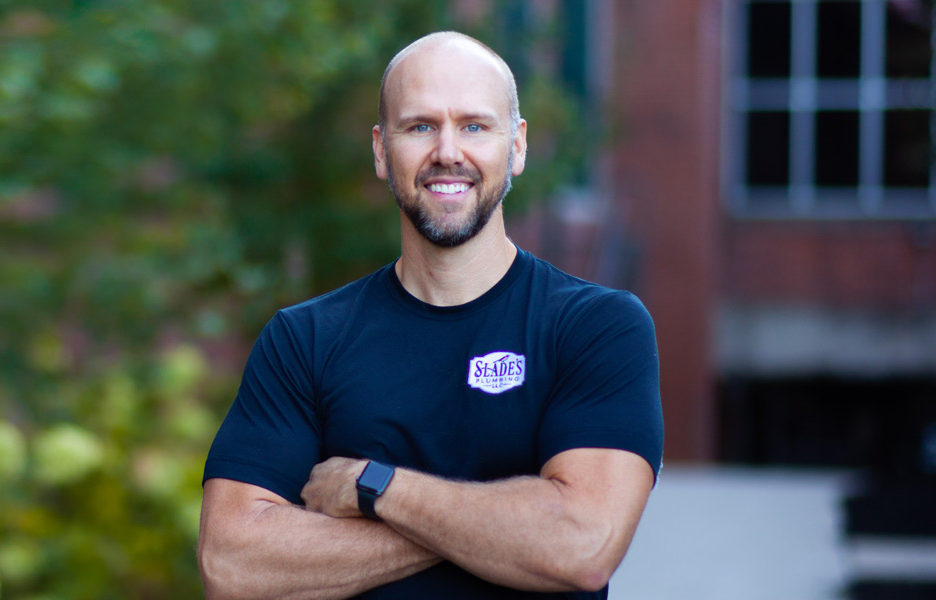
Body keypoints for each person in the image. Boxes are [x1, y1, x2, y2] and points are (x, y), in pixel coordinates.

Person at [195, 31, 663, 599]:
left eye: (474, 126)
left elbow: (581, 546)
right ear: (379, 149)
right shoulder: (305, 340)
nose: (447, 152)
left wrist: (375, 489)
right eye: (420, 126)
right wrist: (497, 527)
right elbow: (233, 565)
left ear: (516, 146)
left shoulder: (596, 328)